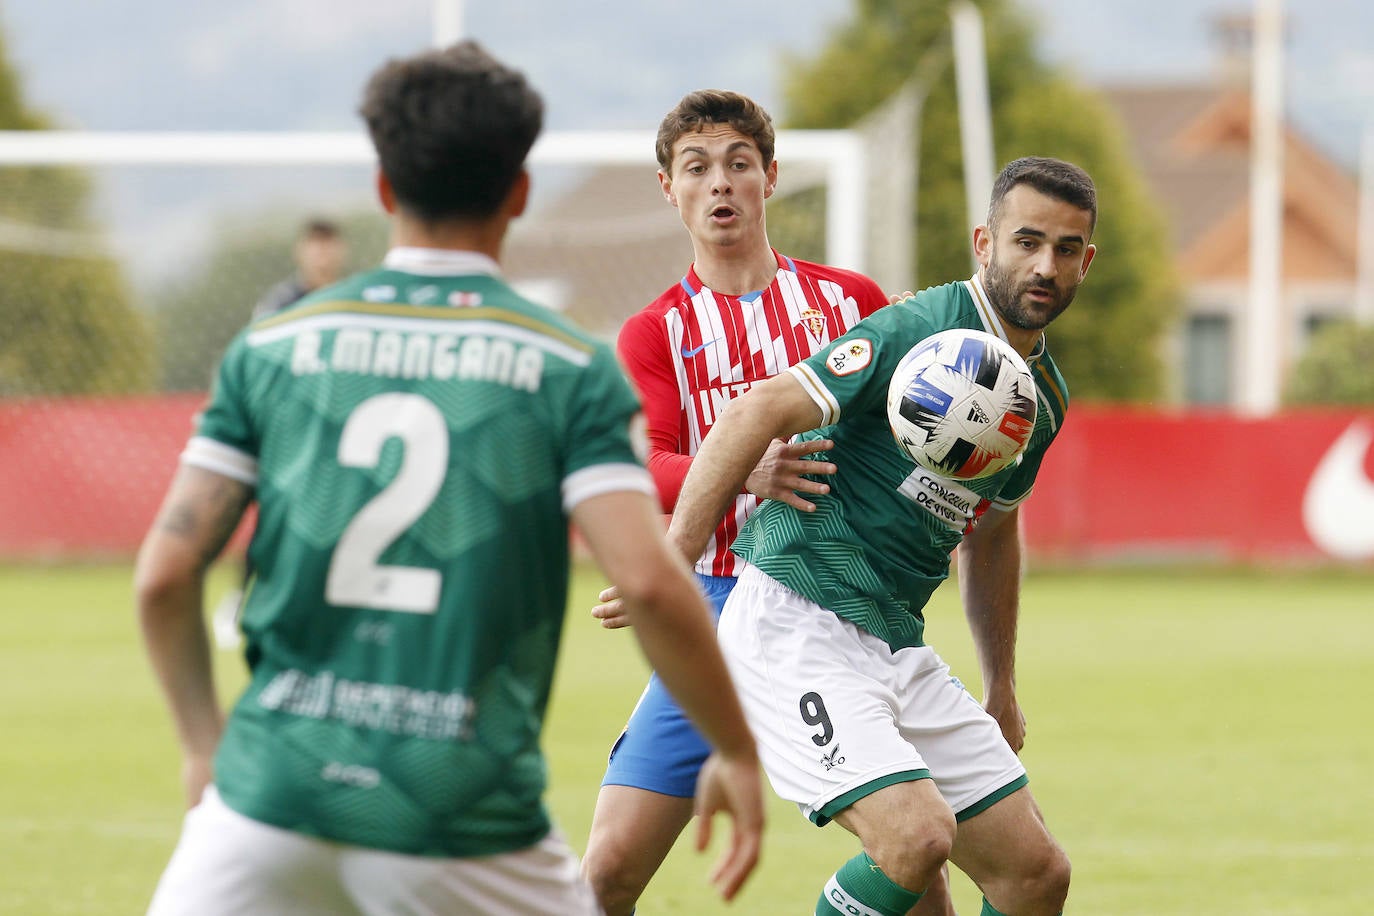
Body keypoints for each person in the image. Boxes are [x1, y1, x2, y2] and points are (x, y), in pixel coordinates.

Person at [134, 41, 763, 916]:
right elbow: (653, 586)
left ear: (385, 190)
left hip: (268, 800)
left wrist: (204, 747)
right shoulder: (568, 368)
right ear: (518, 194)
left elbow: (165, 577)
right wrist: (734, 748)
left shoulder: (273, 348)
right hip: (465, 814)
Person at [660, 156, 1096, 915]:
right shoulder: (919, 328)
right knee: (914, 838)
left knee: (1035, 875)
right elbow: (756, 411)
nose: (1044, 265)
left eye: (1065, 249)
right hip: (795, 621)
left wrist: (1001, 683)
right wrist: (672, 561)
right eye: (1026, 241)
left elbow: (990, 534)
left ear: (1086, 261)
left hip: (893, 643)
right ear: (985, 242)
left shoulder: (1043, 399)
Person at [581, 89, 891, 915]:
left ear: (770, 177)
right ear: (668, 189)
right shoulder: (657, 332)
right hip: (714, 606)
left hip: (833, 600)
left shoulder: (851, 302)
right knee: (608, 870)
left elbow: (901, 435)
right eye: (696, 167)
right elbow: (646, 461)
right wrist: (741, 469)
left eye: (738, 164)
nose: (719, 183)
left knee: (911, 861)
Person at [250, 217, 348, 319]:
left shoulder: (351, 295)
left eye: (328, 241)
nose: (322, 249)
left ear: (342, 249)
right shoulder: (281, 301)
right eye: (315, 242)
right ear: (299, 251)